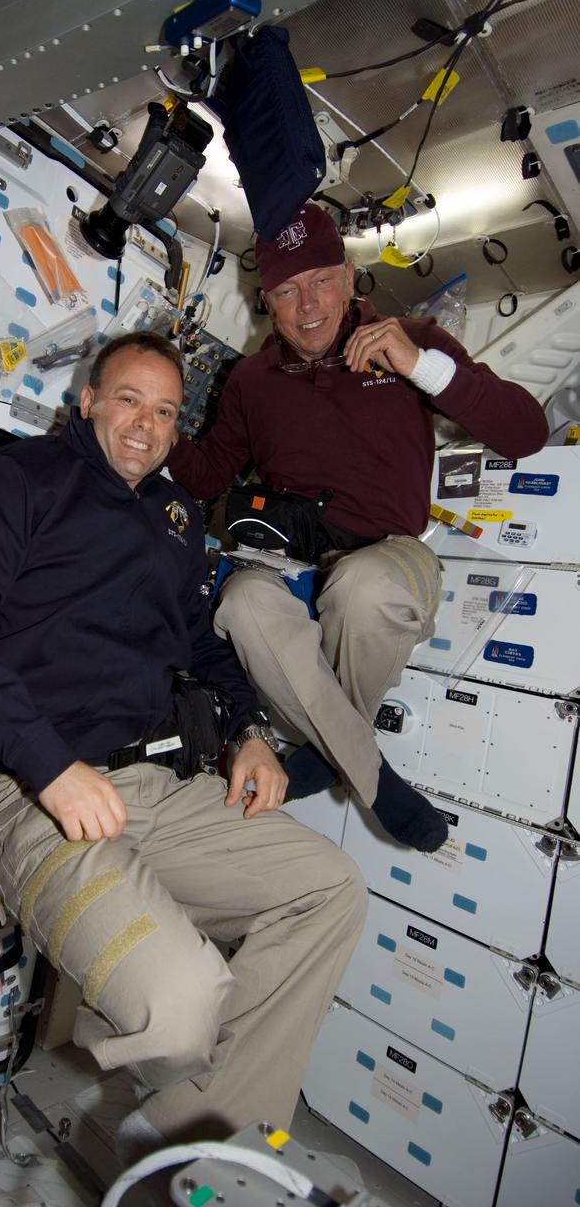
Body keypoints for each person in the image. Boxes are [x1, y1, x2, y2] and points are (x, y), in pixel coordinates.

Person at [0, 331, 367, 1153]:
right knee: (183, 1005)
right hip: (32, 790)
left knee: (331, 888)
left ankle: (203, 1143)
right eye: (128, 399)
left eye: (164, 412)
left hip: (163, 784)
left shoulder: (178, 516)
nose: (144, 425)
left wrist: (252, 733)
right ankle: (166, 1039)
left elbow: (201, 646)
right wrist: (51, 768)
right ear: (85, 402)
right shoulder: (21, 479)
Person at [168, 203, 550, 853]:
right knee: (240, 601)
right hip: (290, 572)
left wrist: (419, 366)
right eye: (286, 290)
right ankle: (355, 758)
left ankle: (338, 751)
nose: (307, 304)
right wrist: (148, 431)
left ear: (351, 278)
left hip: (390, 560)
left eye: (320, 280)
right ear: (267, 299)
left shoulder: (413, 342)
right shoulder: (252, 380)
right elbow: (207, 475)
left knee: (362, 586)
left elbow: (528, 432)